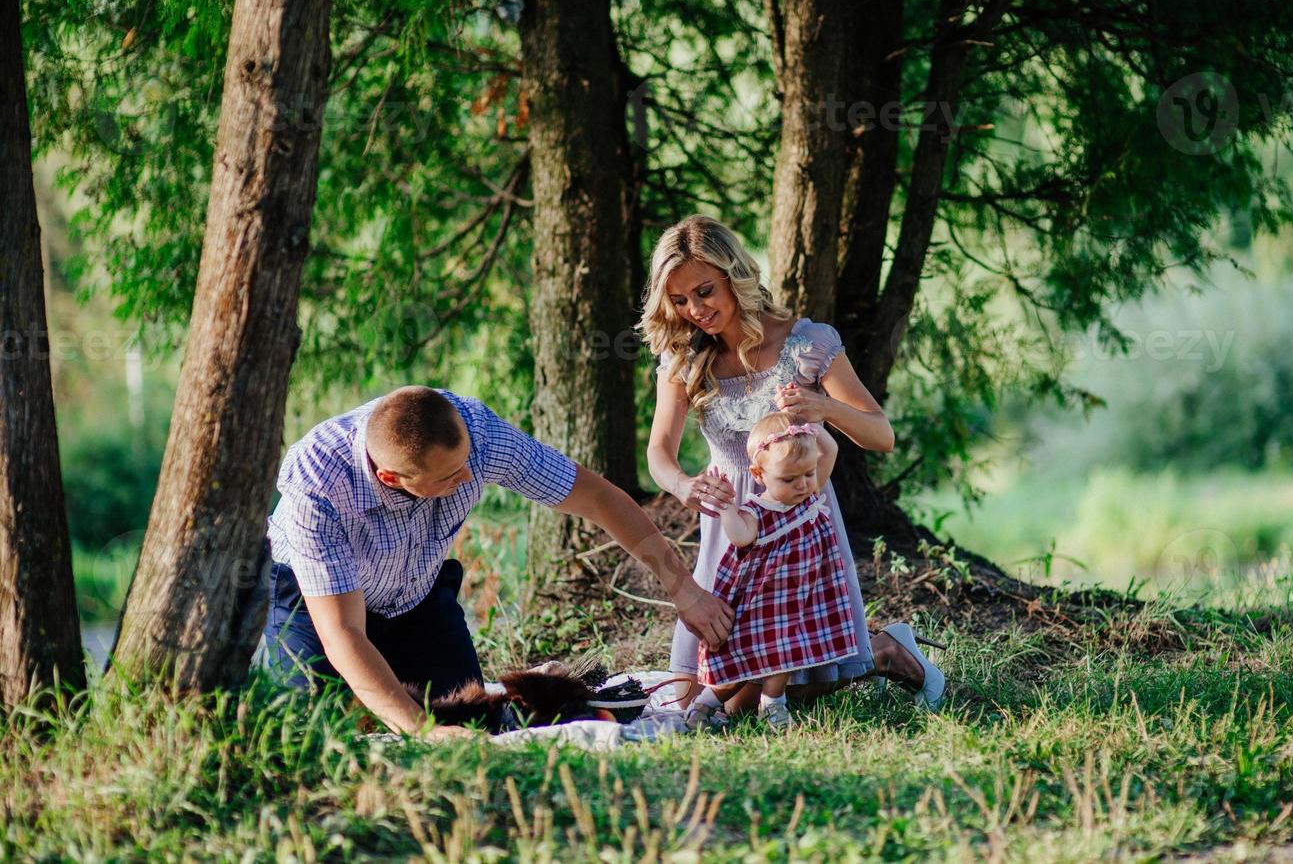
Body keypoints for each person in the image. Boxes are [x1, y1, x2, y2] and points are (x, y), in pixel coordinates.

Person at [262, 385, 733, 741]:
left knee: (476, 719)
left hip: (415, 594)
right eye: (449, 477)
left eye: (467, 462)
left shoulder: (475, 430)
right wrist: (421, 732)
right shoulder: (317, 481)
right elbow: (342, 630)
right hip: (314, 607)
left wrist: (684, 591)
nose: (469, 476)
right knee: (314, 725)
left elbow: (596, 499)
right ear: (390, 477)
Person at [641, 215, 945, 714]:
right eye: (679, 300)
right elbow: (659, 454)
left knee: (761, 692)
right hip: (731, 528)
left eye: (704, 291)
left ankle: (887, 651)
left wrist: (824, 408)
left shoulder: (806, 344)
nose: (695, 309)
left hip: (797, 527)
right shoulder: (684, 359)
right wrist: (682, 485)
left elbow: (881, 434)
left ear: (734, 276)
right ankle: (878, 650)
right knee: (708, 698)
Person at [686, 414, 858, 732]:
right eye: (789, 479)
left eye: (808, 473)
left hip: (798, 599)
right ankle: (704, 704)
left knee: (786, 653)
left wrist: (810, 422)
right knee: (740, 665)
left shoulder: (808, 497)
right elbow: (740, 536)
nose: (803, 484)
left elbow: (830, 450)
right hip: (760, 604)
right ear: (759, 474)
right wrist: (727, 508)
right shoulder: (756, 511)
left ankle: (773, 705)